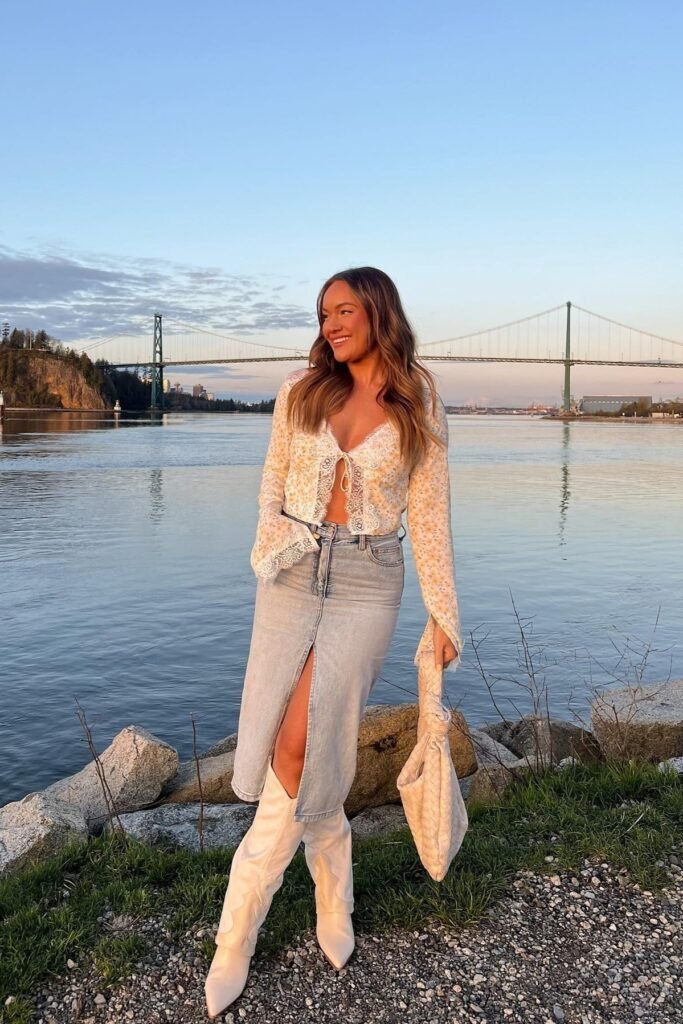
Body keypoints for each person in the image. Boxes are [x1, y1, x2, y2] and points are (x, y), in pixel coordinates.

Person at [205, 266, 463, 1018]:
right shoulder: (300, 392)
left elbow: (432, 511)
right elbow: (271, 484)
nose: (331, 324)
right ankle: (332, 898)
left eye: (344, 310)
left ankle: (235, 935)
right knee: (294, 745)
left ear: (378, 312)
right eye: (323, 314)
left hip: (367, 582)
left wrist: (443, 613)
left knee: (298, 745)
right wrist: (269, 553)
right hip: (290, 574)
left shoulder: (418, 397)